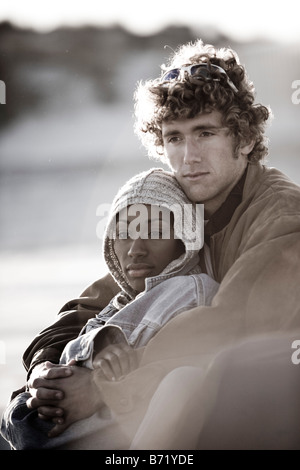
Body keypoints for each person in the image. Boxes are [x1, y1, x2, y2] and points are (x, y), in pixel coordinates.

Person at [5, 38, 300, 449]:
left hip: (270, 402)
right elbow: (99, 300)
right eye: (174, 138)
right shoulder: (178, 210)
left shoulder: (282, 215)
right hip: (188, 395)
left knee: (232, 367)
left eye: (205, 133)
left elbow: (235, 326)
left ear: (245, 138)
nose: (188, 156)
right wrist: (45, 369)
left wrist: (104, 388)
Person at [1, 168, 219, 449]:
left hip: (118, 425)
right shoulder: (120, 297)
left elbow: (206, 352)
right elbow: (68, 324)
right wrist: (44, 372)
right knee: (18, 412)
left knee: (20, 415)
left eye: (155, 232)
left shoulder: (190, 290)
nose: (135, 249)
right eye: (124, 233)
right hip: (59, 416)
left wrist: (107, 373)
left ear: (185, 239)